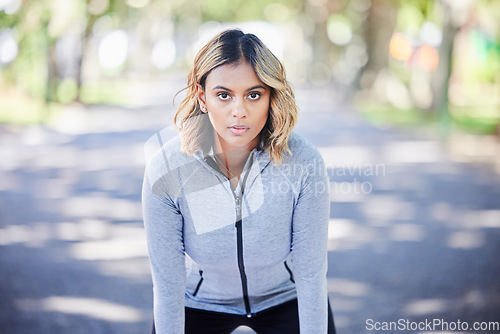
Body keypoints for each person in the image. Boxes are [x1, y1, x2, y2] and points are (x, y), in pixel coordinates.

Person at [142, 29, 335, 334]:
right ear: (203, 97)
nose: (240, 111)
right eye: (224, 95)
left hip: (285, 298)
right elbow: (167, 283)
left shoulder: (304, 162)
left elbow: (311, 273)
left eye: (254, 94)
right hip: (199, 302)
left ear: (271, 96)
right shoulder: (168, 168)